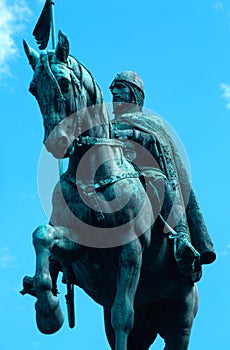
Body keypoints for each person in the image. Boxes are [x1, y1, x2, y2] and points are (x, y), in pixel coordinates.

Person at [109, 71, 216, 281]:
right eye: (114, 89)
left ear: (134, 94)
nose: (114, 92)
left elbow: (158, 143)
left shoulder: (149, 121)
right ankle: (57, 255)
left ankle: (181, 238)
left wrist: (132, 134)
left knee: (160, 182)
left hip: (144, 171)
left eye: (120, 87)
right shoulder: (105, 123)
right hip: (112, 173)